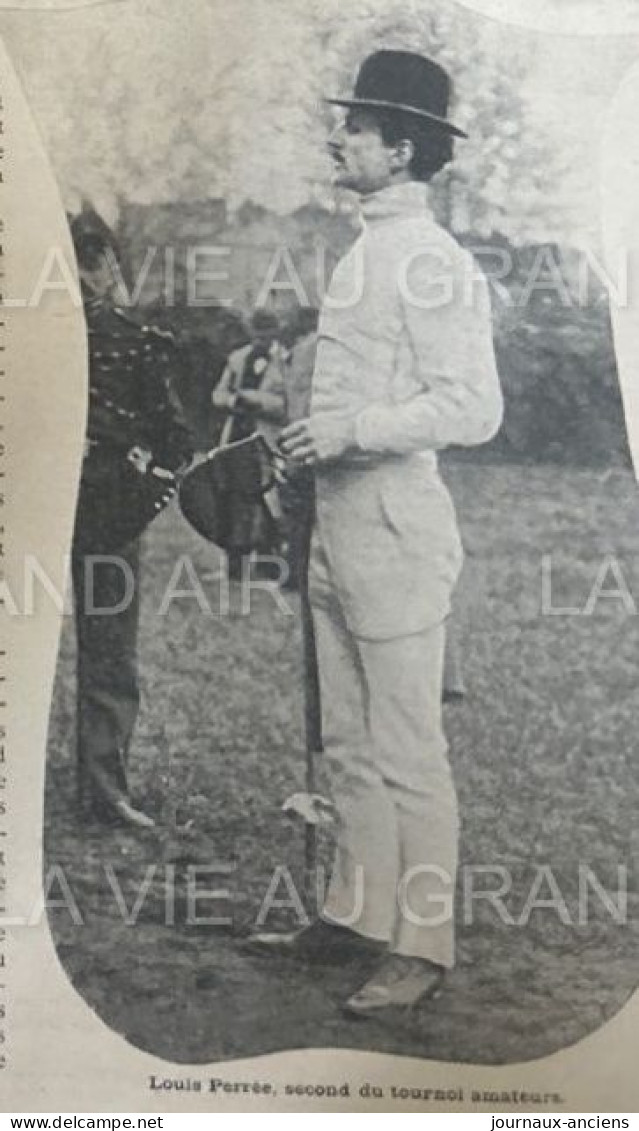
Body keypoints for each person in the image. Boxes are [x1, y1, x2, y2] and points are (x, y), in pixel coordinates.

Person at [252, 50, 503, 1016]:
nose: (336, 138)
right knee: (348, 742)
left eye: (354, 128)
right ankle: (355, 915)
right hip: (336, 530)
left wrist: (351, 431)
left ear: (402, 149)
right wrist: (306, 444)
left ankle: (423, 944)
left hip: (398, 534)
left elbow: (472, 406)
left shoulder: (435, 262)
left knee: (407, 748)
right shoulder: (366, 248)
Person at [70, 213, 194, 829]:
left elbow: (173, 442)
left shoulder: (134, 339)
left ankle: (103, 790)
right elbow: (176, 442)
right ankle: (102, 789)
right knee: (109, 652)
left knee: (109, 651)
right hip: (94, 509)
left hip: (104, 511)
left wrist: (139, 484)